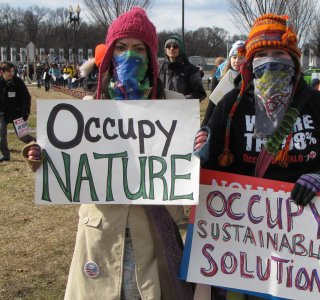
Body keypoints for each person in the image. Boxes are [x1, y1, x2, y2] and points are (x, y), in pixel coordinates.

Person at [23, 8, 194, 299]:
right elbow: (72, 168)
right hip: (100, 234)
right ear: (110, 54)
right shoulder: (91, 107)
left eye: (139, 48)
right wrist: (43, 156)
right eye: (121, 48)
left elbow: (179, 187)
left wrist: (196, 152)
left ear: (152, 55)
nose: (130, 55)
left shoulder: (174, 107)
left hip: (152, 237)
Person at [194, 13, 320, 298]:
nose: (271, 60)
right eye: (262, 54)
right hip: (242, 245)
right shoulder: (231, 105)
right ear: (251, 62)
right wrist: (200, 152)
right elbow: (207, 172)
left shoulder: (316, 104)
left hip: (303, 245)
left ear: (293, 60)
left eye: (279, 53)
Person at [201, 40, 245, 127]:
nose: (237, 61)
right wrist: (204, 126)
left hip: (241, 120)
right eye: (234, 57)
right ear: (230, 58)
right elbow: (212, 102)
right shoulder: (219, 75)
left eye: (241, 57)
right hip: (221, 118)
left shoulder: (251, 77)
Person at [0, 62, 35, 162]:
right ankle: (5, 155)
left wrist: (25, 113)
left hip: (17, 113)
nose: (11, 73)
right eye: (9, 71)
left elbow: (26, 98)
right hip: (3, 114)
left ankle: (38, 146)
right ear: (2, 72)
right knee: (2, 136)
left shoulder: (18, 81)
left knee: (23, 136)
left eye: (13, 71)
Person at [158, 35, 206, 101]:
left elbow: (200, 93)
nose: (171, 48)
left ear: (180, 49)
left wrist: (182, 99)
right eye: (168, 46)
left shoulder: (192, 69)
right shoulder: (159, 68)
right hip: (163, 109)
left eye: (175, 46)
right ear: (165, 49)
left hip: (183, 109)